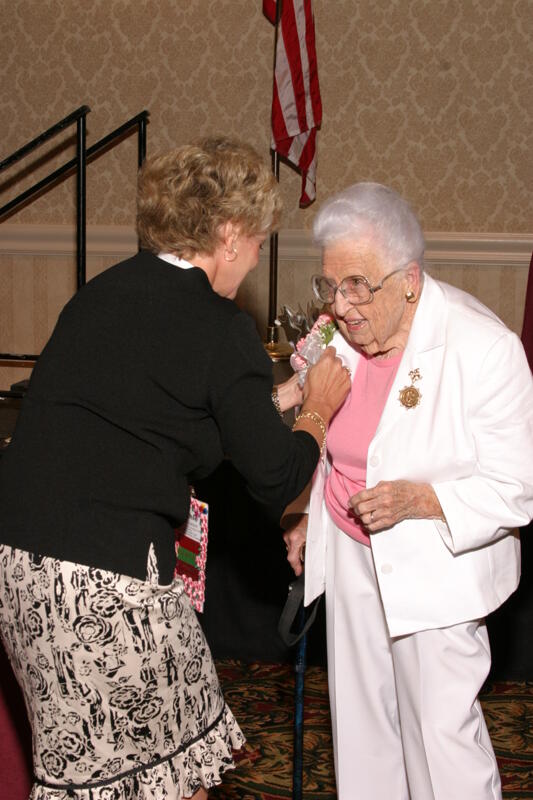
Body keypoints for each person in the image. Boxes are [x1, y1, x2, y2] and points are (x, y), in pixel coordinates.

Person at [0, 137, 350, 800]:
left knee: (134, 767)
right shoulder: (218, 327)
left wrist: (279, 398)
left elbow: (163, 429)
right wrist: (318, 414)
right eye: (253, 243)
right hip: (104, 584)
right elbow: (276, 477)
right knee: (148, 777)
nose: (249, 263)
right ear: (225, 234)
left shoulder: (100, 296)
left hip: (19, 568)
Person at [283, 182, 533, 800]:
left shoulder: (484, 349)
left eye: (357, 286)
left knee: (439, 737)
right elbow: (325, 434)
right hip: (348, 554)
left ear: (410, 279)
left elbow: (517, 488)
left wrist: (420, 500)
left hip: (435, 564)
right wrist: (302, 512)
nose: (340, 306)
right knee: (362, 729)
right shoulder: (341, 336)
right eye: (330, 286)